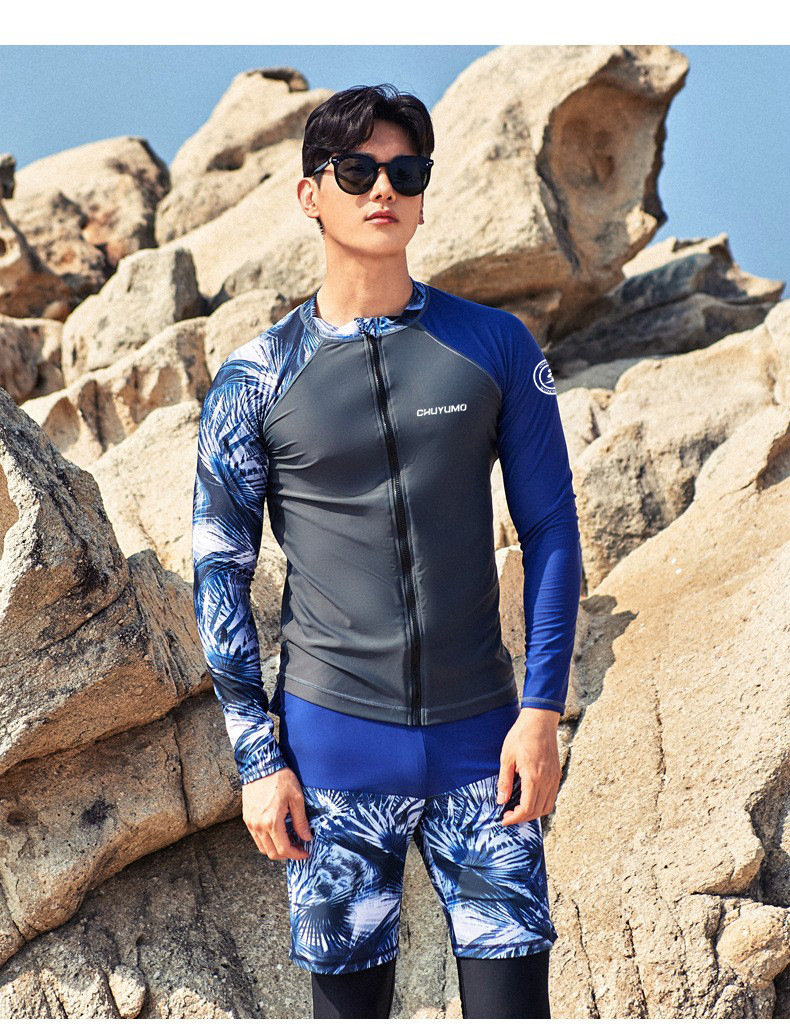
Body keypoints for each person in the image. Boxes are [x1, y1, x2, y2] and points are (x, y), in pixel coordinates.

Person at [192, 82, 583, 1019]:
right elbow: (220, 575)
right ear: (309, 194)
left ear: (423, 193)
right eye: (356, 170)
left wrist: (541, 711)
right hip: (333, 750)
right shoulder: (254, 380)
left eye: (405, 172)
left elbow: (551, 531)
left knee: (514, 1013)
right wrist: (258, 760)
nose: (383, 190)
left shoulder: (492, 345)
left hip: (484, 745)